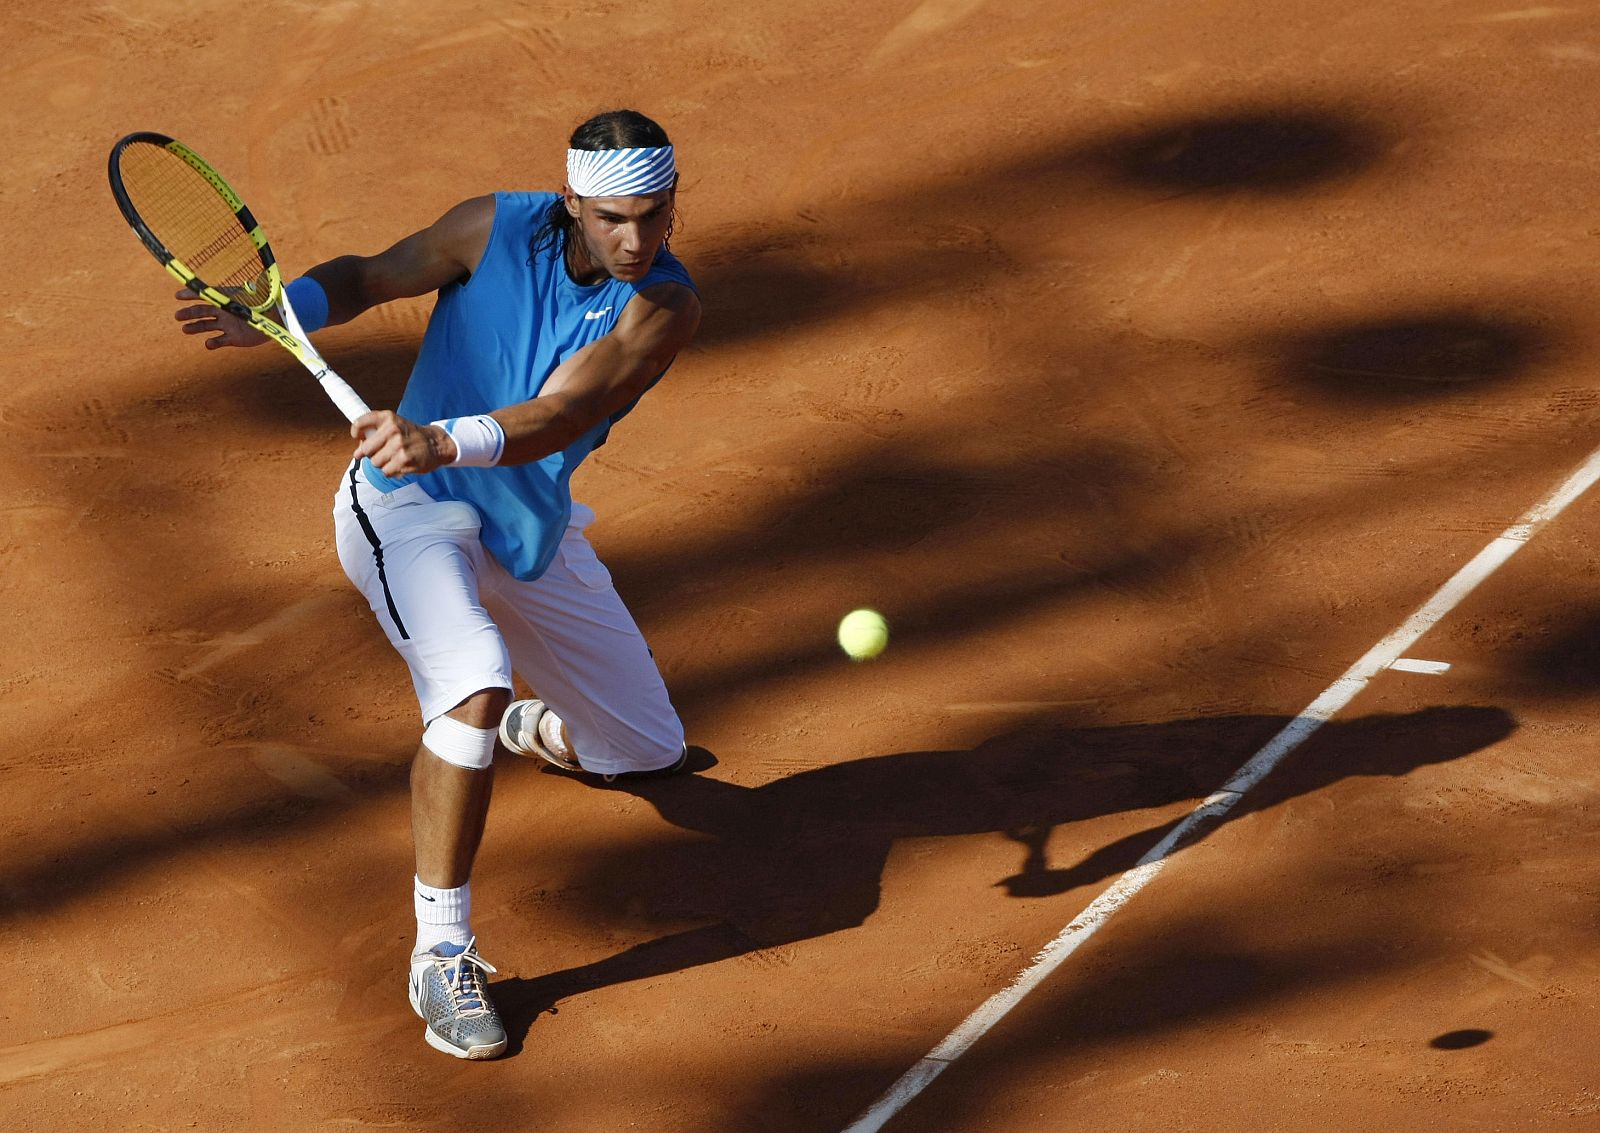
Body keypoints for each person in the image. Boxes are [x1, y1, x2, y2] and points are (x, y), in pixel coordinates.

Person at [174, 109, 701, 1060]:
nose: (636, 238)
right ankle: (442, 951)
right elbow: (372, 276)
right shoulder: (489, 227)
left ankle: (534, 728)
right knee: (474, 678)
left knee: (647, 750)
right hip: (405, 509)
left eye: (655, 215)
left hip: (524, 520)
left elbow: (562, 410)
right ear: (574, 199)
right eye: (614, 216)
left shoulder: (663, 304)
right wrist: (281, 306)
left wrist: (443, 437)